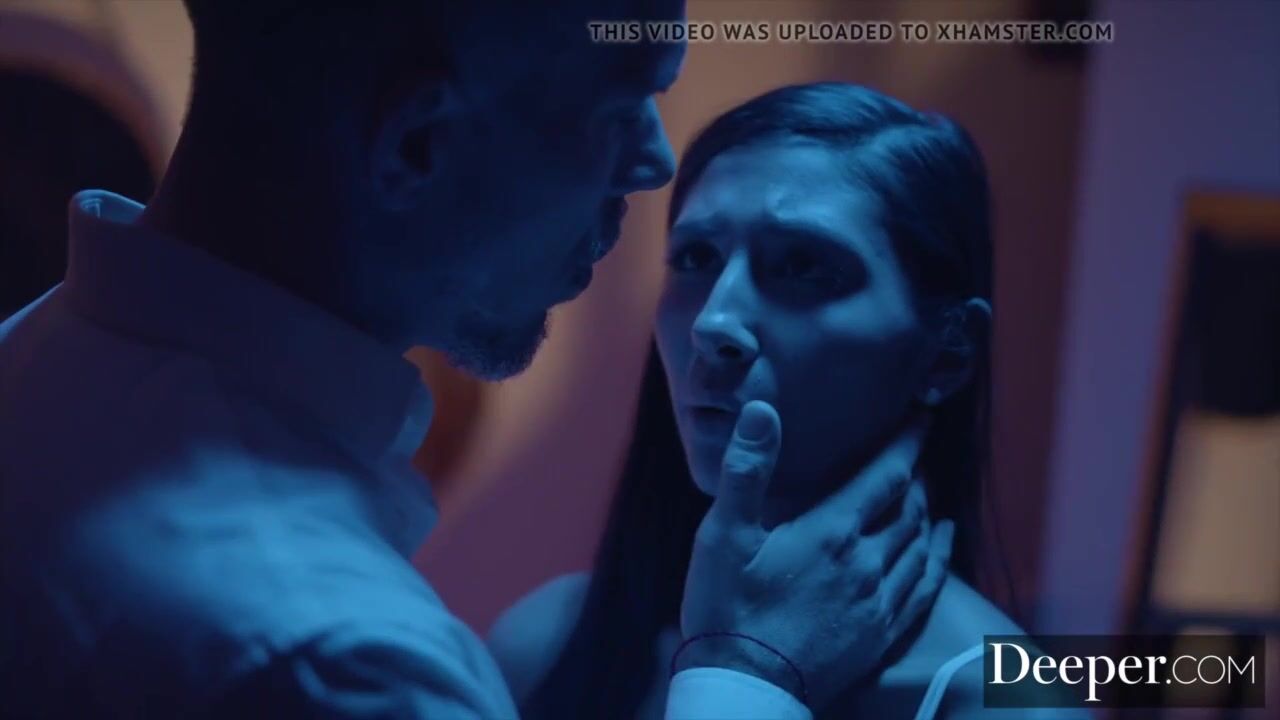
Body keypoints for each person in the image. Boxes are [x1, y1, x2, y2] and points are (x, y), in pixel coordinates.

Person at [0, 5, 950, 720]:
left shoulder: (28, 367)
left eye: (806, 268)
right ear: (419, 143)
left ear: (949, 348)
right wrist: (743, 686)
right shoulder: (355, 662)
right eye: (622, 101)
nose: (657, 162)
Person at [489, 83, 1085, 719]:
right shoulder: (544, 645)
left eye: (803, 266)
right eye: (696, 257)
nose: (714, 320)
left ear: (947, 354)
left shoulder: (1007, 704)